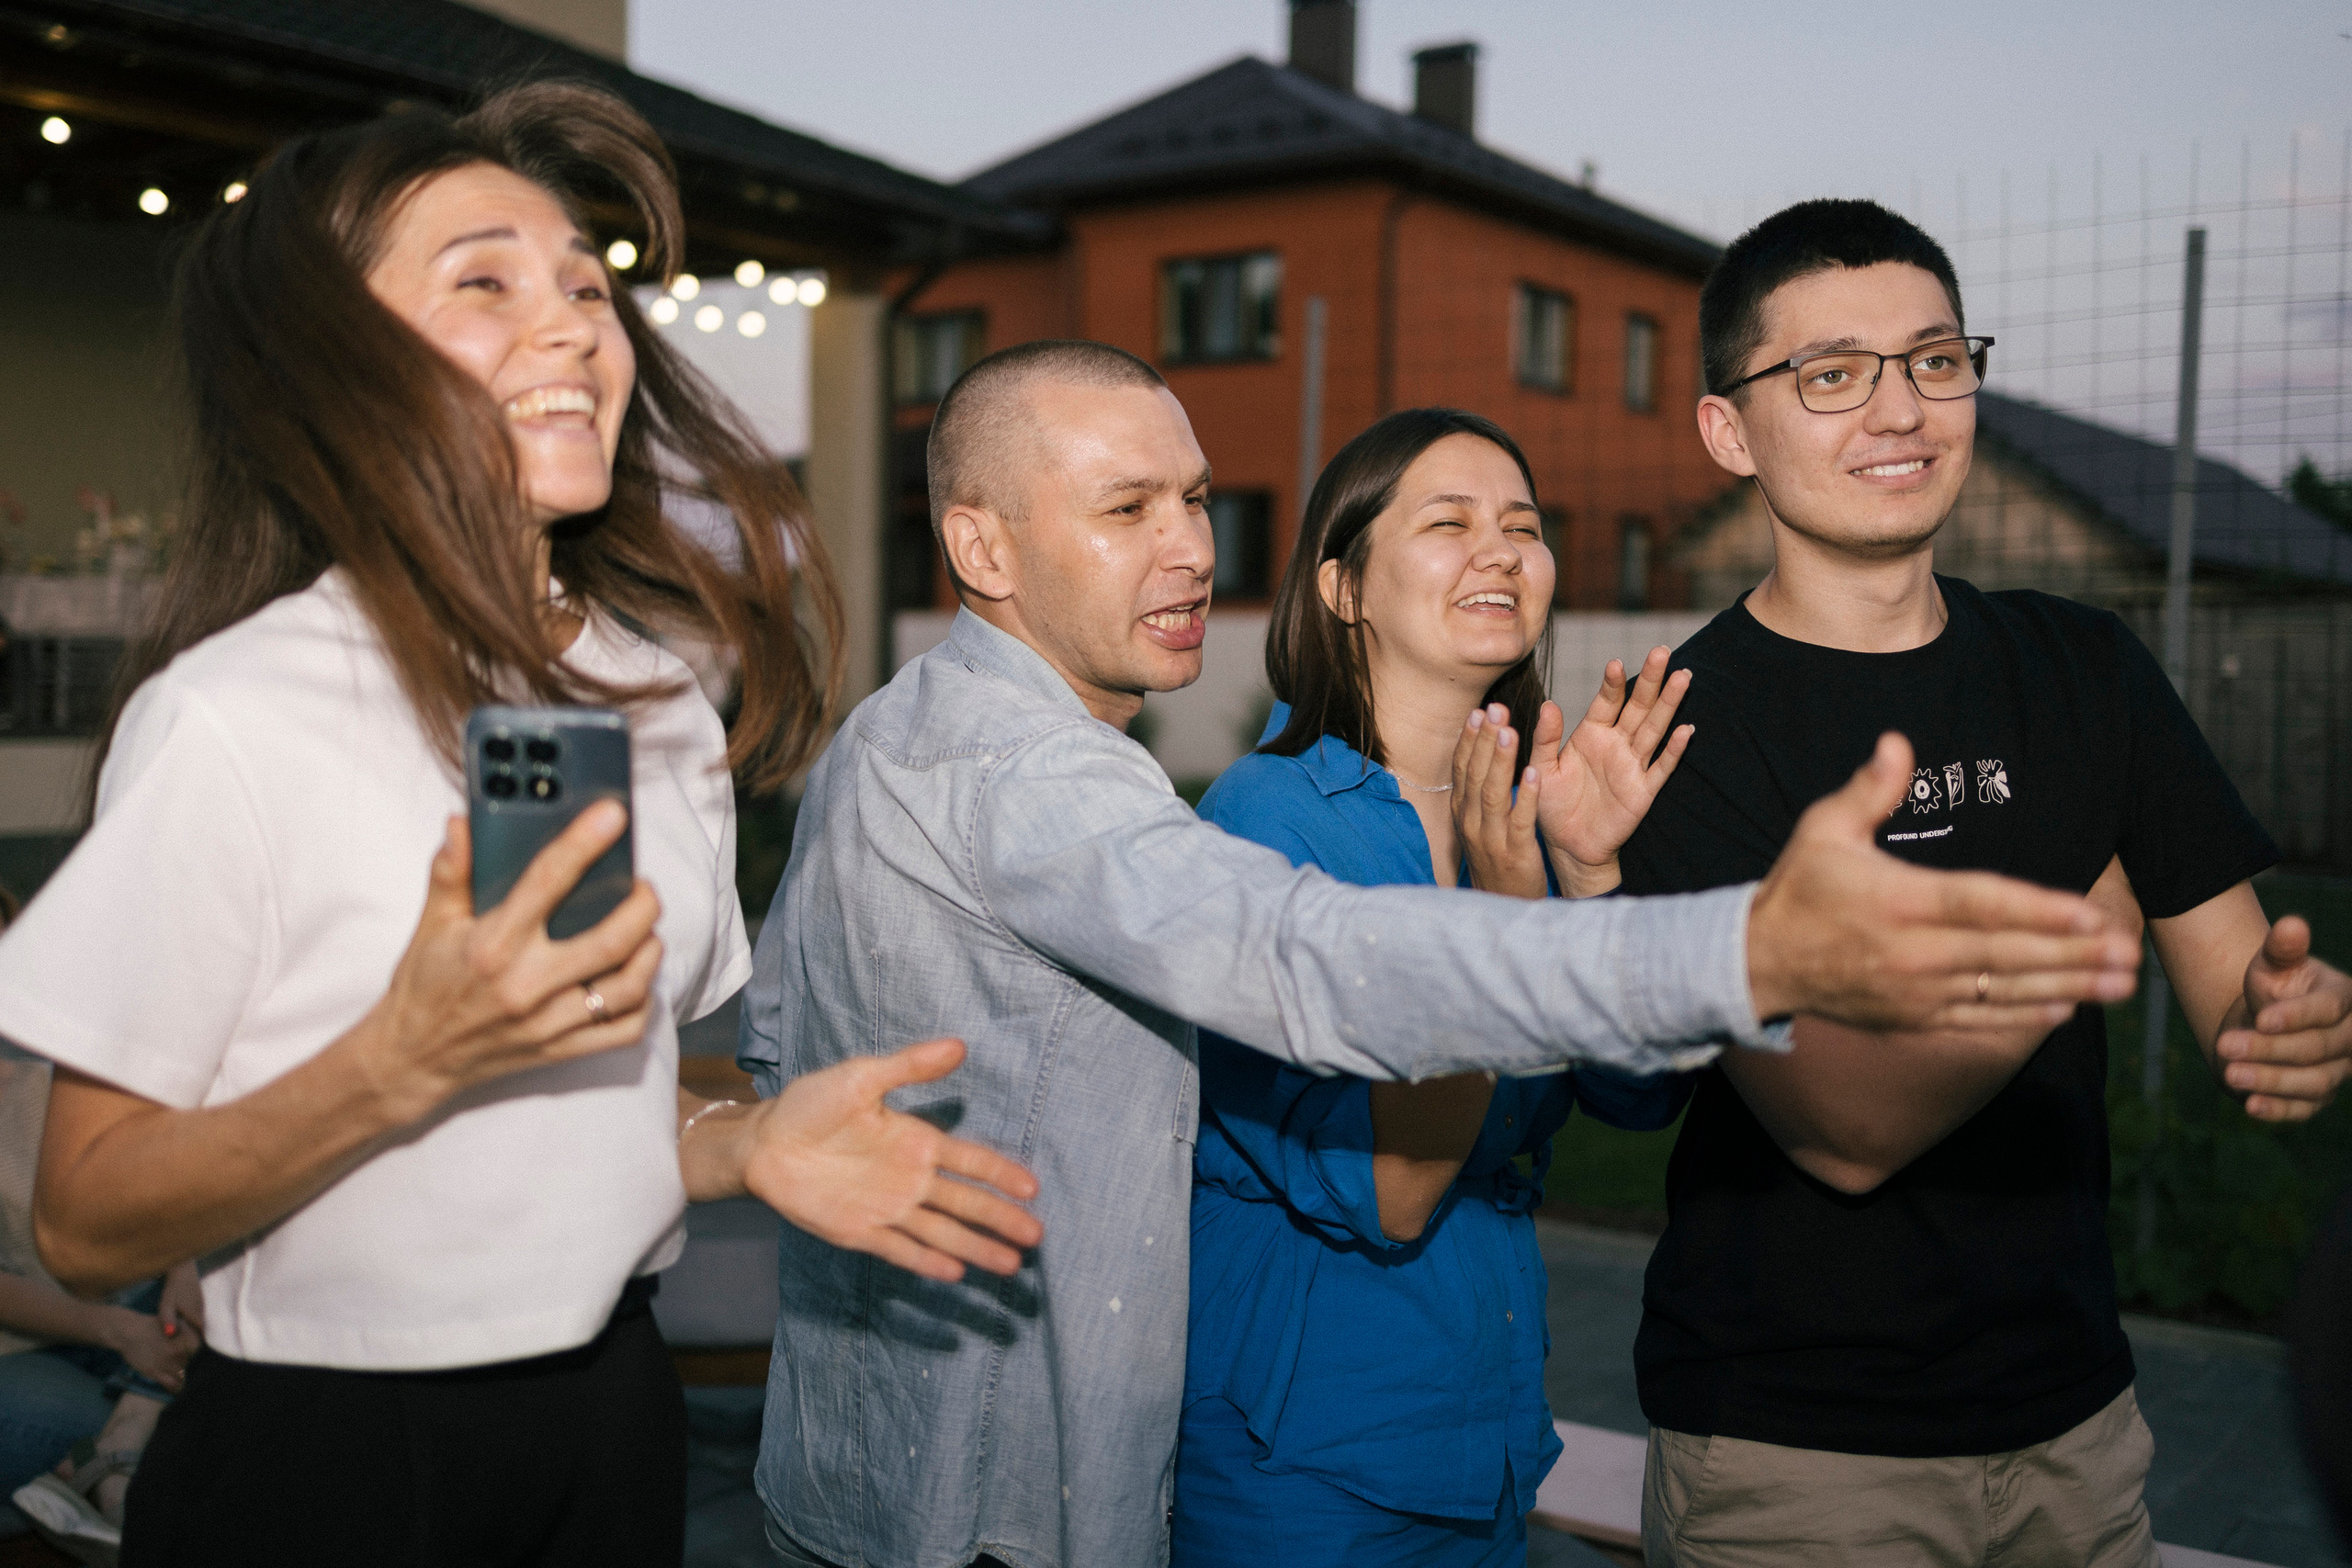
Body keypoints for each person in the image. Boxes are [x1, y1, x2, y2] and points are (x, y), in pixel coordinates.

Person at [740, 337, 2143, 1568]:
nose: (1193, 547)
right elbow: (1316, 994)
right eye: (1128, 509)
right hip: (1142, 1477)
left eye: (1196, 499)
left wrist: (1584, 872)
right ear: (983, 550)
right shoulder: (1111, 787)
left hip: (1424, 1438)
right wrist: (1738, 942)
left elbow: (773, 1032)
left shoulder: (899, 733)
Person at [0, 84, 1038, 1568]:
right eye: (484, 282)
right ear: (333, 362)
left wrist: (741, 1139)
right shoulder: (240, 708)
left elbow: (591, 1086)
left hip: (610, 1418)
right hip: (328, 1454)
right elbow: (87, 1217)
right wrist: (394, 1061)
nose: (573, 326)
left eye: (586, 285)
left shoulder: (650, 694)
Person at [1619, 198, 2352, 1568]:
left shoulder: (2086, 665)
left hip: (2079, 1427)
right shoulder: (1675, 728)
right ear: (1730, 431)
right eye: (1832, 374)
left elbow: (2240, 988)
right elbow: (1846, 1125)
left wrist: (2288, 1022)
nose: (1899, 408)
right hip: (1797, 1456)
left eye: (1936, 360)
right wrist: (2082, 929)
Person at [1172, 407, 1697, 1568]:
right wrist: (1506, 929)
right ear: (1343, 587)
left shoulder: (1532, 809)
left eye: (1524, 527)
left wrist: (1592, 873)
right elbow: (1389, 1192)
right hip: (1303, 1462)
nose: (1500, 552)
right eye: (1449, 523)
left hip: (1485, 1435)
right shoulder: (1265, 823)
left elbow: (1636, 1096)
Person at [0, 881, 196, 1565]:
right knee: (193, 1447)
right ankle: (115, 1462)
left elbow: (183, 1171)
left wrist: (187, 1264)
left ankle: (118, 1450)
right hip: (38, 1344)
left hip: (156, 1323)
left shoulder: (81, 1055)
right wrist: (118, 1332)